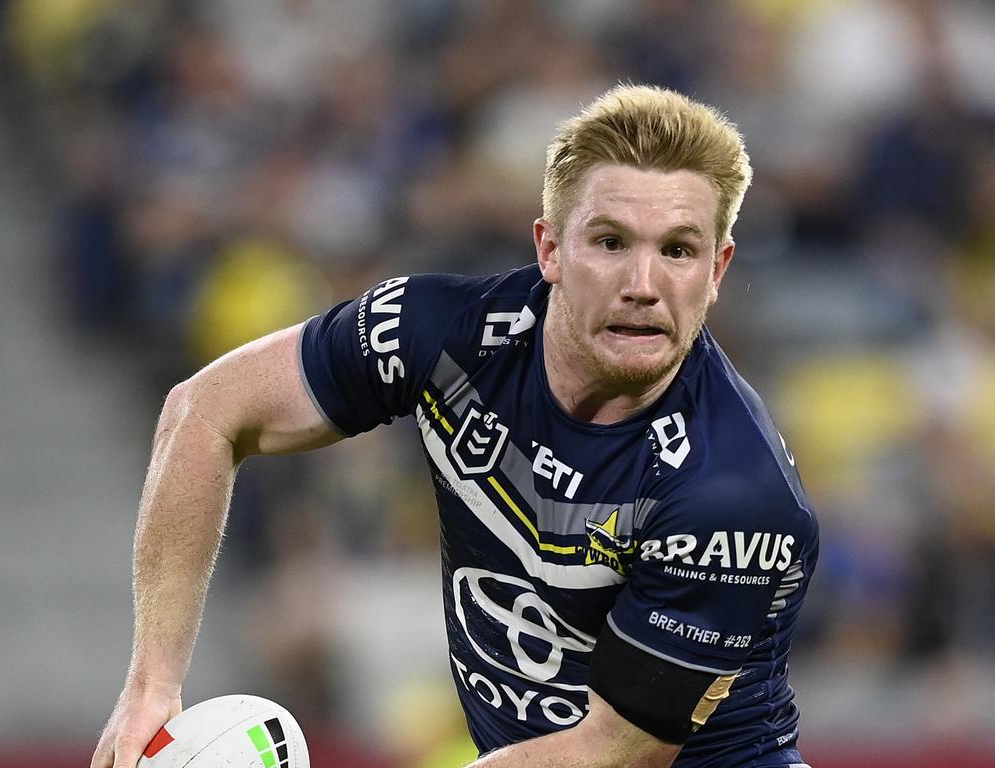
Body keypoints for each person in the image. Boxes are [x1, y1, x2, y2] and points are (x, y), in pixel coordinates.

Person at [92, 84, 818, 768]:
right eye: (609, 241)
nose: (642, 284)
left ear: (717, 270)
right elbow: (203, 411)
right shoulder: (443, 335)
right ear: (550, 249)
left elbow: (612, 754)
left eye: (678, 250)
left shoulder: (734, 492)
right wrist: (152, 685)